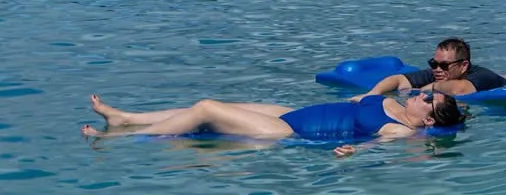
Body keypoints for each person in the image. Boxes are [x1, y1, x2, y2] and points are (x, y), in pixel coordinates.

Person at [82, 91, 463, 155]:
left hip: (290, 131)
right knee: (214, 107)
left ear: (428, 117)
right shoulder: (396, 102)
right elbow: (391, 84)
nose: (424, 93)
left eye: (429, 99)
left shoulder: (403, 130)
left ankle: (115, 139)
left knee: (206, 108)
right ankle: (126, 118)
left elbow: (378, 148)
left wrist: (352, 153)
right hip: (291, 111)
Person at [357, 38, 506, 98]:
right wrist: (372, 94)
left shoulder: (482, 76)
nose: (437, 69)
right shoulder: (439, 74)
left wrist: (429, 87)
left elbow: (461, 89)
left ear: (464, 66)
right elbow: (398, 80)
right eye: (433, 63)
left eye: (444, 65)